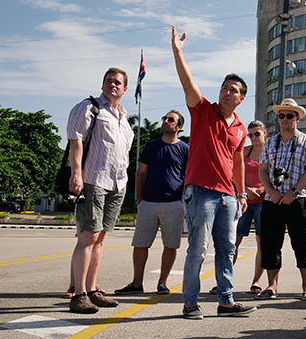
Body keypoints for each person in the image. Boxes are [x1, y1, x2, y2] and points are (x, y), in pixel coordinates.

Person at [171, 25, 256, 319]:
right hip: (201, 192)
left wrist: (241, 193)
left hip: (228, 196)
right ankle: (190, 302)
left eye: (233, 89)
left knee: (227, 249)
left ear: (241, 98)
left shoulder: (241, 127)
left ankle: (226, 300)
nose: (226, 91)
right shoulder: (203, 110)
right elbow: (188, 83)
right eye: (224, 86)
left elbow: (238, 162)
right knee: (197, 249)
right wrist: (178, 53)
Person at [66, 67, 134, 314]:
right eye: (108, 81)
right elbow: (76, 142)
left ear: (125, 89)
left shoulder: (124, 119)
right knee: (88, 236)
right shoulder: (89, 107)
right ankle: (79, 293)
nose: (112, 85)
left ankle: (93, 290)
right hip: (93, 180)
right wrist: (76, 174)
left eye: (117, 82)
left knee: (101, 237)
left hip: (117, 184)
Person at [114, 110, 189, 296]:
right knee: (140, 244)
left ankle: (162, 283)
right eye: (164, 118)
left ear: (179, 127)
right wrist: (140, 199)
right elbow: (141, 173)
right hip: (149, 204)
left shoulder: (185, 149)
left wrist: (184, 202)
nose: (165, 121)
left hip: (174, 204)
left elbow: (189, 177)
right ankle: (137, 283)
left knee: (170, 245)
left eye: (170, 120)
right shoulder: (151, 146)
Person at [257, 98, 306, 301]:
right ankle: (271, 286)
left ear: (298, 118)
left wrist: (293, 191)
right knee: (270, 243)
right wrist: (271, 191)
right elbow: (263, 170)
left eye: (289, 115)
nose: (285, 119)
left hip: (297, 199)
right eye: (281, 115)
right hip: (272, 200)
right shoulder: (270, 142)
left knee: (302, 243)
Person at [209, 119, 268, 296]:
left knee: (261, 242)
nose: (253, 137)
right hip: (243, 200)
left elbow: (274, 175)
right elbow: (235, 172)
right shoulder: (245, 151)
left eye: (257, 133)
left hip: (263, 201)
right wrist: (246, 190)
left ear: (265, 133)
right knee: (233, 242)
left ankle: (256, 282)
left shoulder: (270, 152)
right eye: (250, 135)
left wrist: (262, 189)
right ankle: (223, 281)